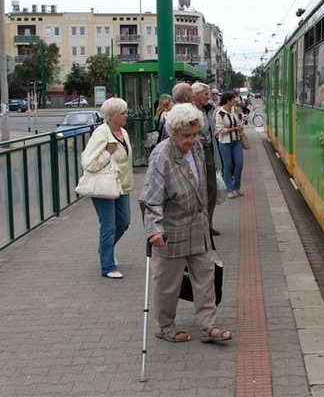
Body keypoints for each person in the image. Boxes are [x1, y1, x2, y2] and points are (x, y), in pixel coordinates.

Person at [140, 103, 232, 344]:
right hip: (171, 230)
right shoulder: (162, 156)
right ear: (173, 132)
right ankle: (166, 326)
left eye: (195, 134)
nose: (192, 140)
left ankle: (207, 325)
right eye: (187, 136)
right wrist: (154, 230)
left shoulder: (197, 149)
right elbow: (151, 200)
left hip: (197, 226)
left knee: (206, 275)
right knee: (168, 283)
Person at [80, 97, 133, 279]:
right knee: (108, 225)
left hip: (122, 185)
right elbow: (88, 162)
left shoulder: (123, 133)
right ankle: (108, 266)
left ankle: (105, 249)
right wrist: (107, 153)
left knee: (124, 222)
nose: (126, 115)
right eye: (123, 113)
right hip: (104, 187)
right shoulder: (101, 133)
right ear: (111, 116)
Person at [192, 82, 221, 235]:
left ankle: (208, 224)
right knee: (198, 189)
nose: (208, 97)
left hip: (209, 151)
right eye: (205, 94)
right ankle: (199, 225)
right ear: (195, 95)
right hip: (195, 153)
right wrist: (193, 137)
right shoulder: (188, 111)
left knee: (212, 189)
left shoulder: (208, 110)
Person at [214, 91, 244, 199]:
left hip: (236, 141)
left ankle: (236, 185)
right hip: (225, 143)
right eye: (233, 99)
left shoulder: (233, 110)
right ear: (228, 101)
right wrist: (234, 129)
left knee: (239, 163)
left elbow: (238, 122)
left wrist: (240, 127)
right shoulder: (219, 113)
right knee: (228, 166)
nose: (235, 101)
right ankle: (229, 188)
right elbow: (220, 130)